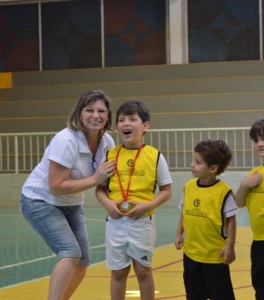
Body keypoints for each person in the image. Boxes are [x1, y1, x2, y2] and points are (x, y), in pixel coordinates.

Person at [20, 90, 116, 300]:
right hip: (40, 200)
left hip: (71, 203)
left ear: (108, 116)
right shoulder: (65, 140)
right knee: (70, 253)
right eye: (89, 110)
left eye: (101, 111)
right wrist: (93, 180)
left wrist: (112, 203)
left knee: (82, 262)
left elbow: (107, 182)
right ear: (79, 114)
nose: (95, 115)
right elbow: (55, 186)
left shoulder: (108, 142)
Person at [96, 99, 173, 300]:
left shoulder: (155, 156)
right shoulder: (110, 155)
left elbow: (166, 190)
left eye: (132, 119)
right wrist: (107, 203)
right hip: (114, 222)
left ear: (145, 125)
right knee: (118, 272)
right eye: (121, 120)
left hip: (142, 222)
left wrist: (147, 205)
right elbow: (100, 189)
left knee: (143, 271)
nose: (126, 124)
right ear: (116, 127)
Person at [174, 139, 238, 300]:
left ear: (213, 168)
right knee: (194, 294)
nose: (192, 165)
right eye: (193, 160)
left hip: (214, 257)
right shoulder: (189, 186)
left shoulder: (224, 192)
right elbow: (184, 212)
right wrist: (179, 234)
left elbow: (231, 221)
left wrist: (230, 246)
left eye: (197, 162)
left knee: (221, 295)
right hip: (191, 254)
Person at [235, 118, 264, 300]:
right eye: (256, 140)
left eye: (263, 138)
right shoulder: (254, 173)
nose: (260, 144)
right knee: (260, 286)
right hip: (259, 242)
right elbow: (239, 202)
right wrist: (245, 184)